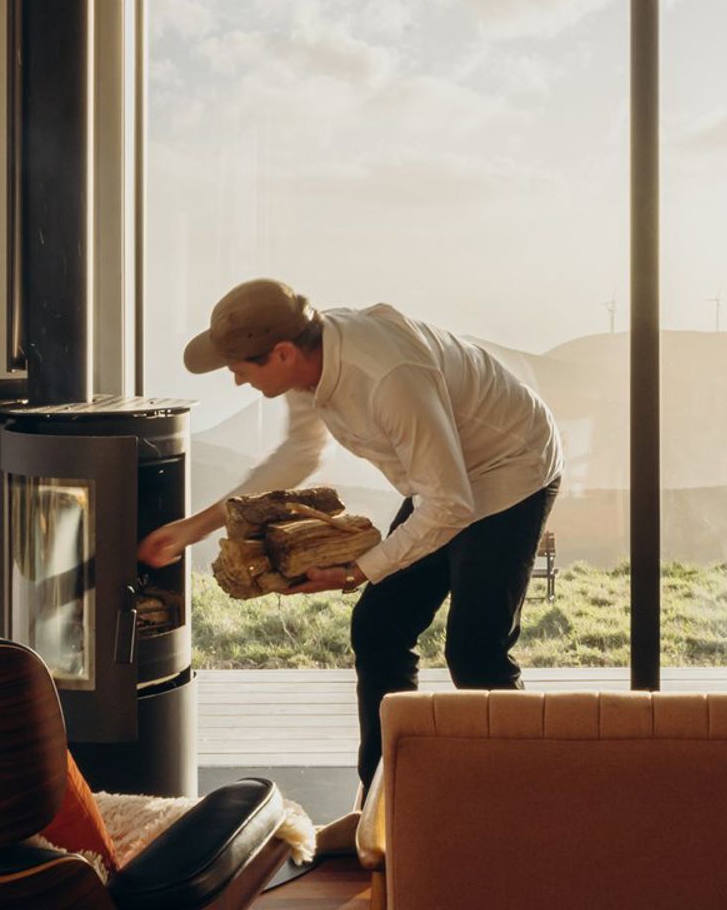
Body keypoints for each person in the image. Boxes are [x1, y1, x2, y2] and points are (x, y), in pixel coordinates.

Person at [137, 278, 562, 842]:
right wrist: (192, 529)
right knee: (380, 627)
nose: (236, 378)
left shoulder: (387, 377)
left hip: (510, 468)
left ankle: (535, 817)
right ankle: (383, 816)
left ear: (283, 353)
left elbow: (451, 503)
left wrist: (359, 568)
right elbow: (299, 455)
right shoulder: (310, 363)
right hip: (443, 474)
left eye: (240, 366)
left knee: (476, 652)